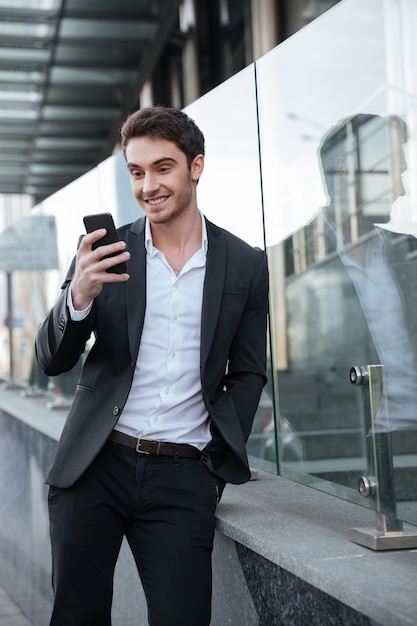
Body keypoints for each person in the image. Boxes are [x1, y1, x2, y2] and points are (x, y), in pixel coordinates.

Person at [35, 105, 269, 626]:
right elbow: (52, 360)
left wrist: (216, 464)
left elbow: (249, 372)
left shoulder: (246, 264)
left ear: (196, 166)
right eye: (136, 172)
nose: (148, 186)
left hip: (183, 476)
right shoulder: (103, 252)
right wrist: (78, 296)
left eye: (162, 168)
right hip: (95, 467)